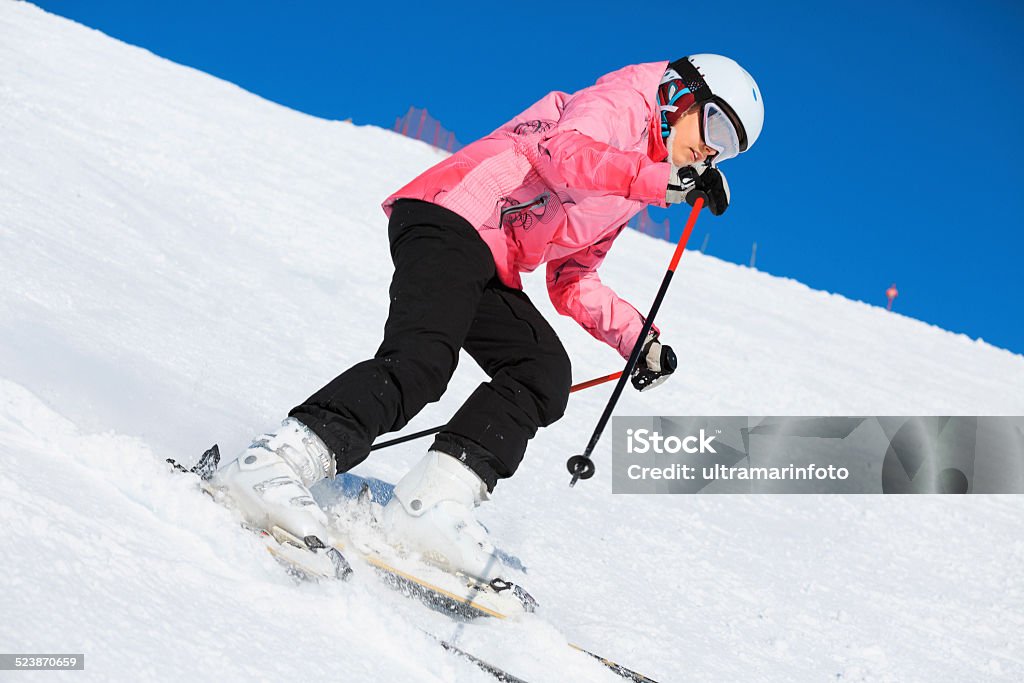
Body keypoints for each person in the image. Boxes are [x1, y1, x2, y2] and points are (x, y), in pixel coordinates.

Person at [213, 54, 764, 581]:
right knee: (423, 361)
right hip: (452, 214)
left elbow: (573, 278)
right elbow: (562, 151)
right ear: (680, 94)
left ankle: (430, 506)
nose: (709, 153)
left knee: (541, 372)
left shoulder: (637, 185)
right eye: (713, 128)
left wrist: (637, 339)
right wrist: (649, 180)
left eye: (728, 151)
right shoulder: (625, 103)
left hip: (492, 259)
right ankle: (274, 463)